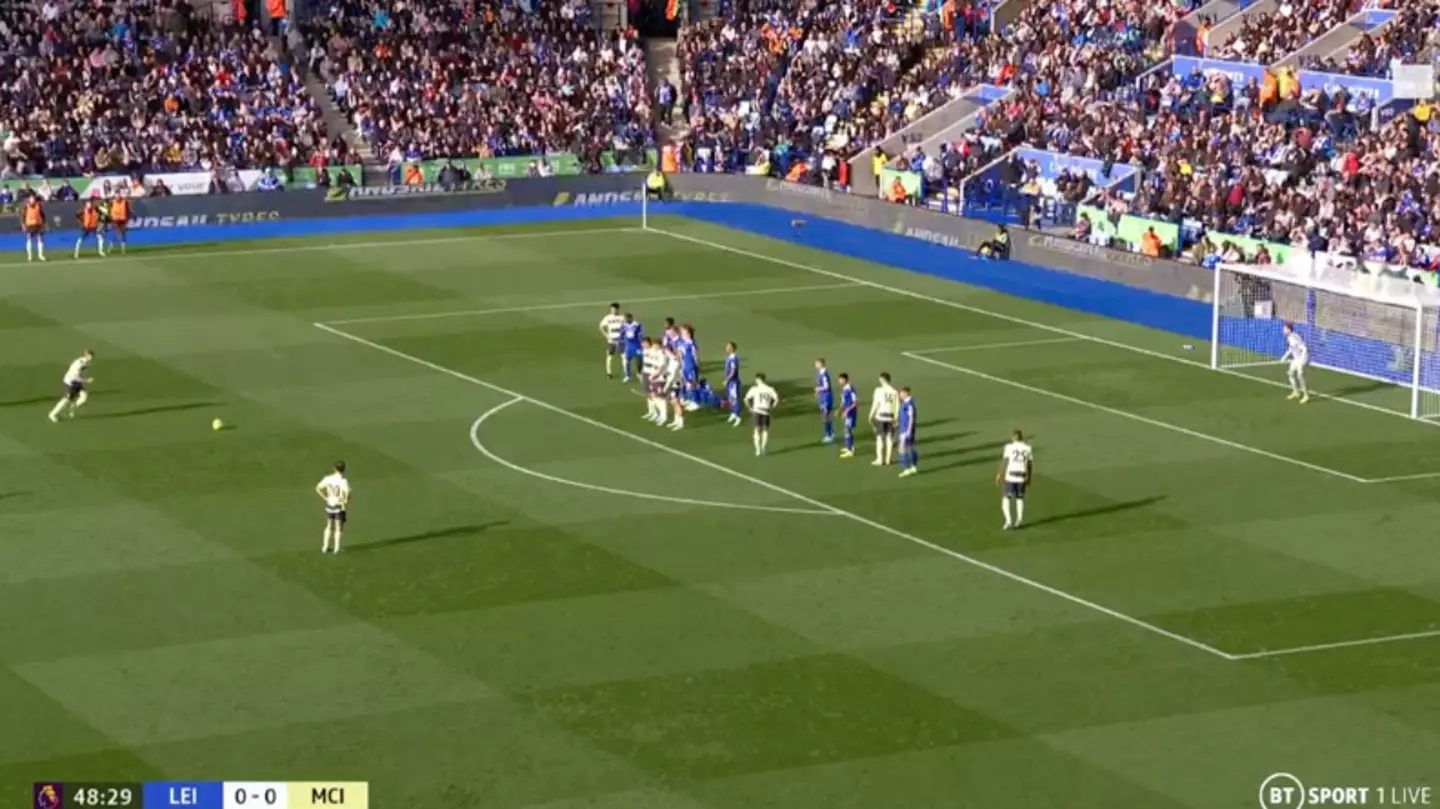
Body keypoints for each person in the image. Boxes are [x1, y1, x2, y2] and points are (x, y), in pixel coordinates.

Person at [997, 430, 1033, 530]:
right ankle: (1019, 520)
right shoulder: (1028, 448)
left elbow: (1005, 461)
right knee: (1019, 498)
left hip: (1011, 475)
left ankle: (1008, 521)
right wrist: (1029, 477)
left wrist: (1000, 474)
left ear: (1013, 437)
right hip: (1022, 475)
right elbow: (1029, 465)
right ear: (1021, 437)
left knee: (1006, 498)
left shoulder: (1009, 447)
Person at [47, 349, 94, 423]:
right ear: (86, 356)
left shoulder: (85, 363)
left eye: (92, 356)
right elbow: (75, 377)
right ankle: (52, 414)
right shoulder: (79, 363)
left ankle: (72, 406)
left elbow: (80, 374)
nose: (91, 358)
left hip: (77, 382)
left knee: (84, 397)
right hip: (70, 383)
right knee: (66, 400)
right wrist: (86, 380)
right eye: (90, 356)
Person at [315, 460, 351, 553]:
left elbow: (318, 488)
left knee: (328, 526)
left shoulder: (328, 479)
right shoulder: (343, 481)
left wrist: (325, 498)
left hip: (329, 505)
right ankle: (337, 548)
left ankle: (325, 547)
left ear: (334, 468)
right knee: (338, 527)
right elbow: (347, 492)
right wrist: (345, 501)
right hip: (339, 506)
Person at [744, 372, 780, 456]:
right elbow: (776, 399)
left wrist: (750, 408)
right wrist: (772, 407)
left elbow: (746, 399)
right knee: (765, 430)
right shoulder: (770, 389)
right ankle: (763, 447)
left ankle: (758, 449)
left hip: (757, 410)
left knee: (757, 430)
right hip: (766, 411)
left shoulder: (754, 389)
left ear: (758, 380)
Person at [869, 372, 900, 466]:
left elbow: (876, 404)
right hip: (891, 417)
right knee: (889, 438)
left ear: (883, 380)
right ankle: (888, 460)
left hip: (881, 416)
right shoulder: (895, 392)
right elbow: (897, 407)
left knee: (879, 438)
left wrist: (870, 415)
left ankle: (880, 459)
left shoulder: (878, 390)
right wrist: (896, 418)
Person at [1280, 322, 1310, 403]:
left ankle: (1306, 395)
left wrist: (1301, 361)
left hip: (1303, 358)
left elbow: (1304, 349)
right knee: (1290, 373)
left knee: (1300, 375)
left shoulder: (1294, 337)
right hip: (1296, 358)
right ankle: (1296, 392)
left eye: (1284, 329)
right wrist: (1284, 356)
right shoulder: (1289, 337)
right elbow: (1291, 349)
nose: (1283, 330)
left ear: (1289, 330)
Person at [599, 303, 626, 379]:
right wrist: (606, 335)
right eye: (611, 309)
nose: (613, 311)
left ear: (618, 309)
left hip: (621, 340)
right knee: (610, 356)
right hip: (612, 340)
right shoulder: (607, 318)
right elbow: (601, 326)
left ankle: (625, 372)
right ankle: (609, 372)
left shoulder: (622, 318)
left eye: (614, 309)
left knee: (623, 356)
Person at [897, 387, 918, 477]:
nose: (900, 395)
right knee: (910, 447)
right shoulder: (906, 403)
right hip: (905, 429)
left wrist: (908, 430)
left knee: (902, 449)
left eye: (901, 393)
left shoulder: (909, 404)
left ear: (906, 393)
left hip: (905, 430)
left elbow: (911, 418)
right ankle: (913, 467)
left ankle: (906, 469)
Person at [838, 372, 858, 458]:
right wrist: (839, 410)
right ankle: (849, 447)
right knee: (846, 429)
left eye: (840, 379)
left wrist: (847, 411)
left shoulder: (850, 388)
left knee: (847, 430)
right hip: (847, 412)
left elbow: (855, 403)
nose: (839, 381)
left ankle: (850, 450)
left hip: (851, 413)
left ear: (845, 379)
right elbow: (843, 402)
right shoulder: (844, 389)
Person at [814, 358, 834, 444]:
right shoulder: (820, 373)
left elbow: (827, 386)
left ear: (821, 364)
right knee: (825, 415)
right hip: (823, 397)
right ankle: (830, 433)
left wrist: (818, 389)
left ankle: (828, 434)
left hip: (826, 397)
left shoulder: (824, 374)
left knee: (825, 415)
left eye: (816, 364)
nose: (815, 366)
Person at [619, 313, 644, 382]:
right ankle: (627, 375)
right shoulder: (623, 326)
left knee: (639, 360)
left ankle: (639, 373)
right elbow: (621, 335)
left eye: (627, 318)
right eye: (625, 318)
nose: (626, 320)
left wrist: (642, 341)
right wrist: (621, 342)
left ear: (631, 318)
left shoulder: (637, 324)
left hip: (637, 345)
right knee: (627, 361)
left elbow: (641, 333)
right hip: (629, 346)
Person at [21, 195, 45, 262]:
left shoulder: (39, 205)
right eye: (31, 200)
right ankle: (30, 256)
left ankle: (40, 255)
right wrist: (23, 224)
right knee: (29, 239)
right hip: (29, 225)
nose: (32, 201)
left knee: (40, 239)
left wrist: (43, 223)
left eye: (33, 200)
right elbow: (23, 215)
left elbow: (42, 214)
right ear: (29, 200)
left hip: (38, 224)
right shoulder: (26, 206)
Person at [723, 342, 742, 427]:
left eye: (728, 347)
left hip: (733, 382)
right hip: (730, 382)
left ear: (732, 348)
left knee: (734, 398)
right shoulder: (729, 357)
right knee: (730, 398)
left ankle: (738, 416)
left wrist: (727, 380)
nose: (726, 348)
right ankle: (733, 413)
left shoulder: (734, 358)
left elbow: (733, 371)